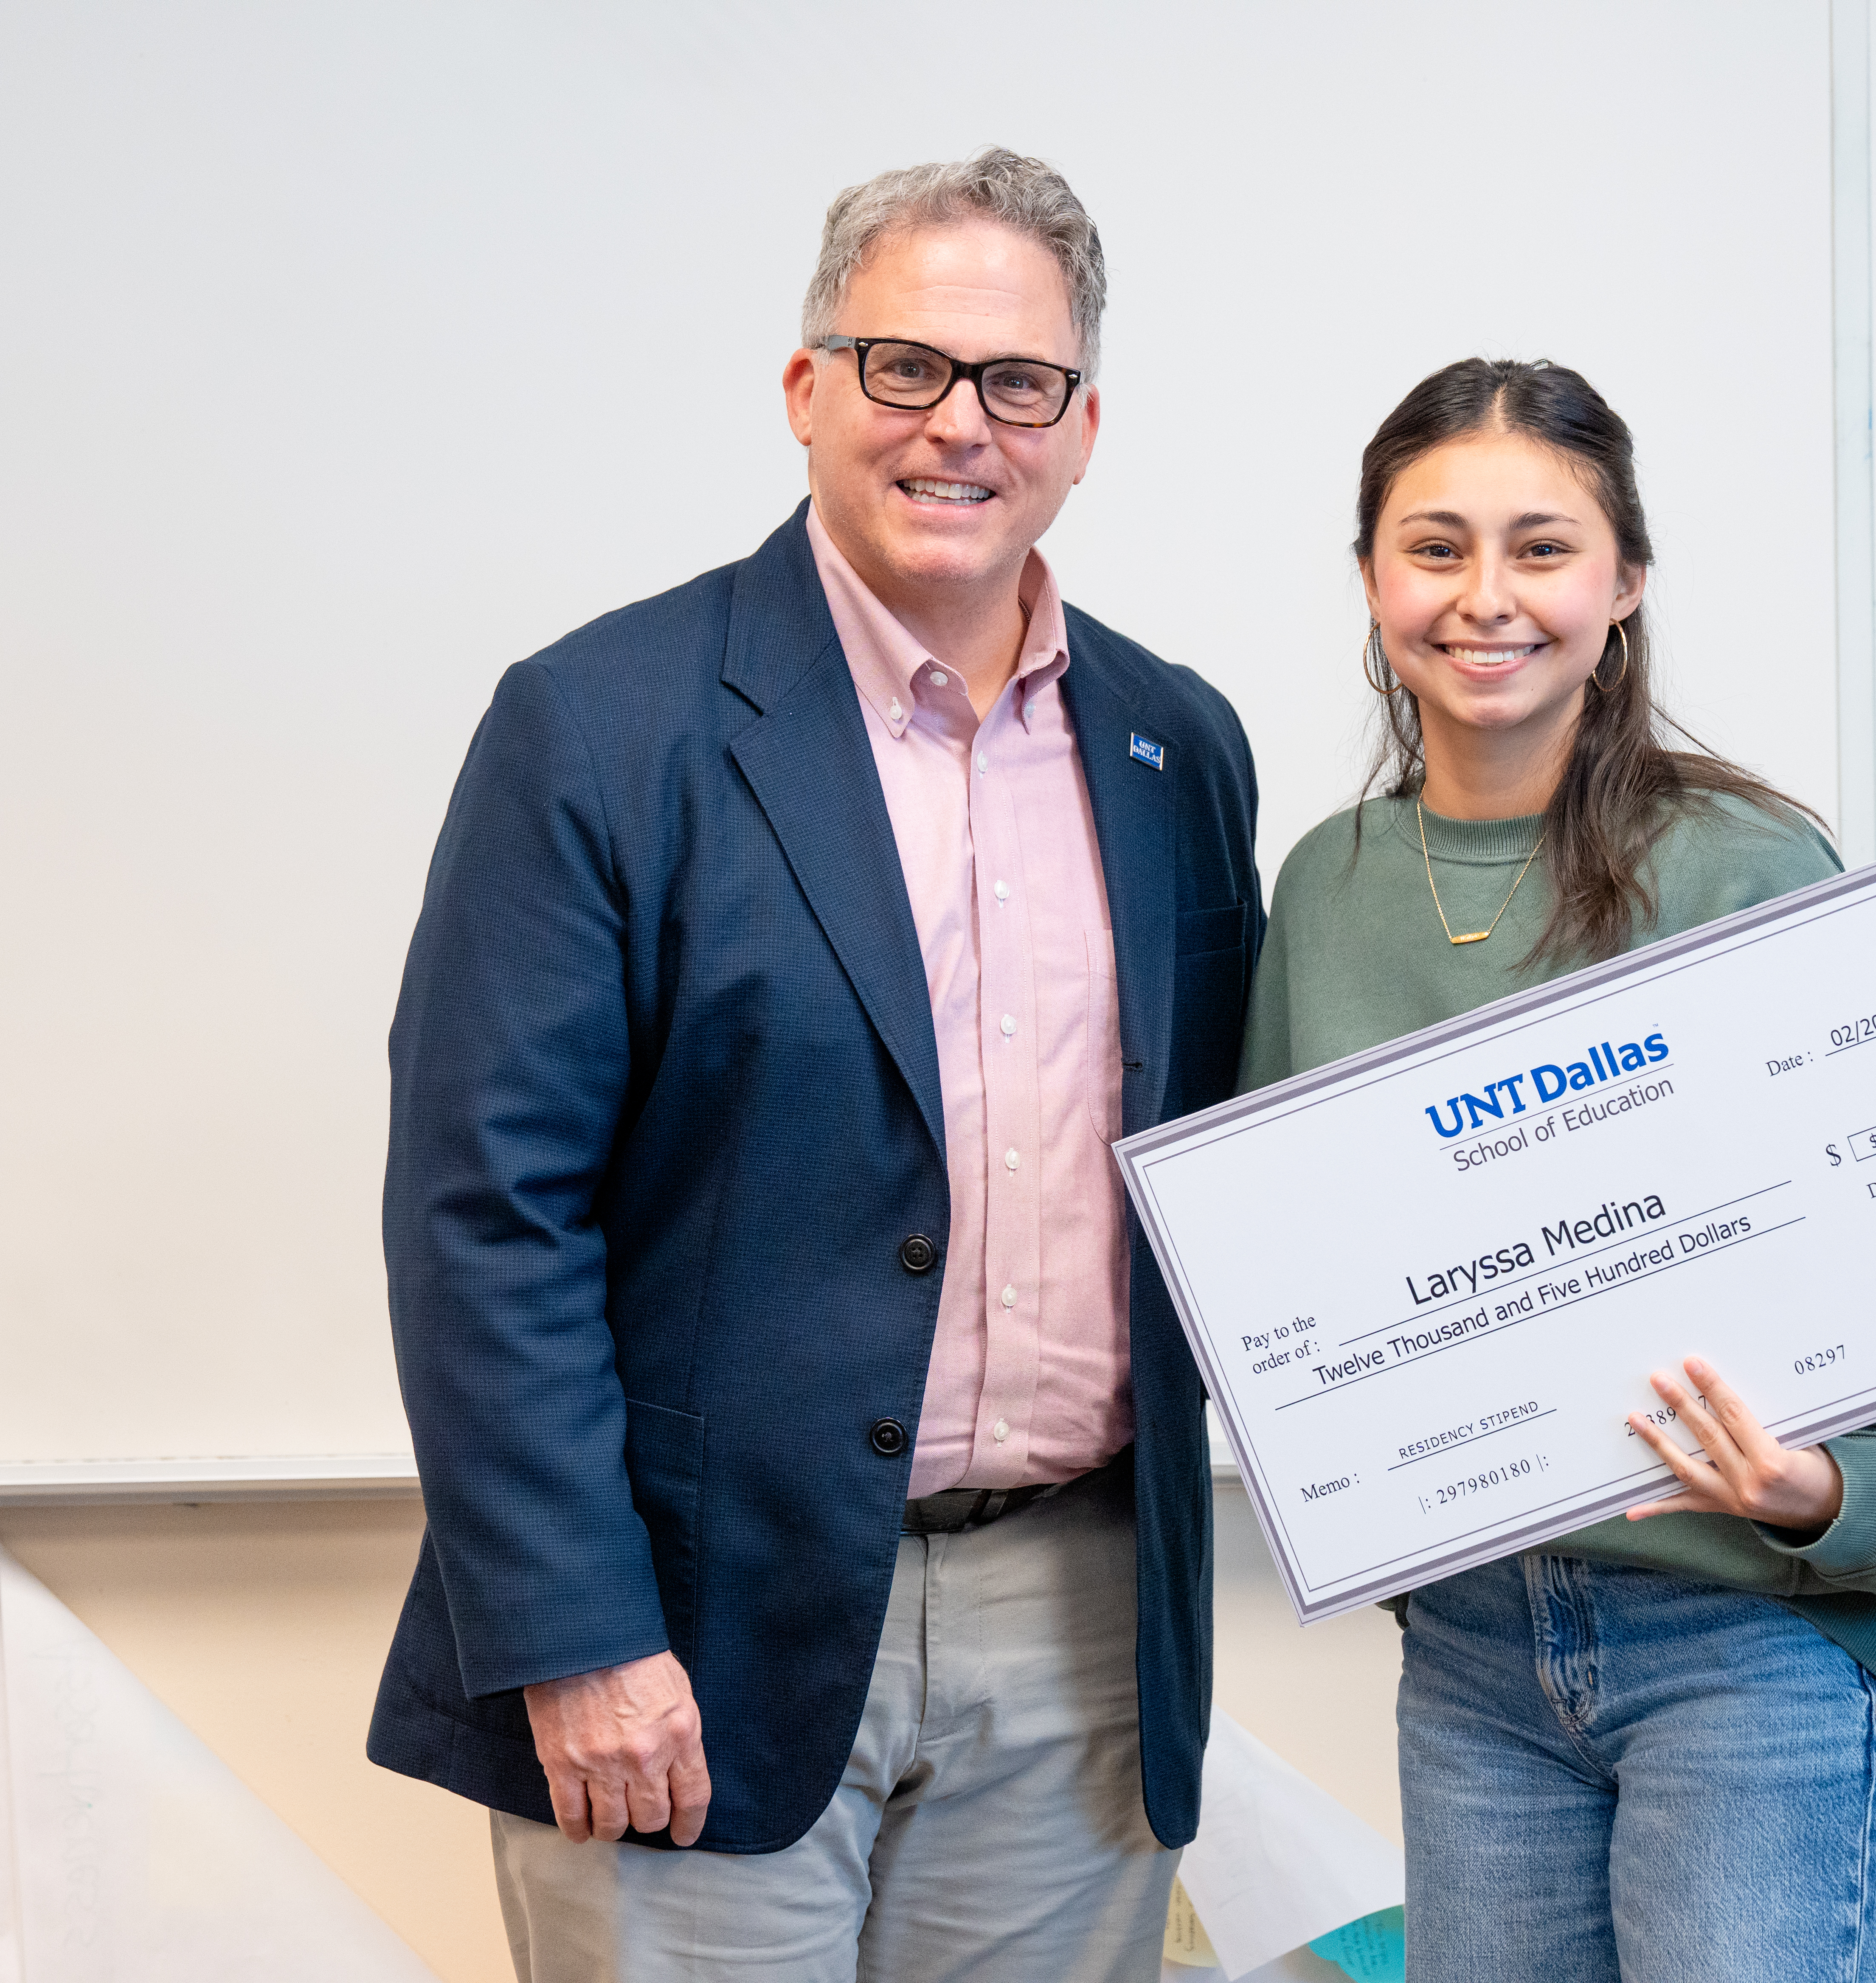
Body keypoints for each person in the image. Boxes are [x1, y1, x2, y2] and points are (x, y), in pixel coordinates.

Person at [368, 149, 1261, 1982]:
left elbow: (1233, 1153)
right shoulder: (603, 725)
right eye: (905, 366)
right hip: (688, 1631)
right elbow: (481, 1211)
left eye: (1019, 383)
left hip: (1082, 1626)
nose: (961, 426)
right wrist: (575, 1634)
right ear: (806, 390)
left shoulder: (1179, 746)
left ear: (1085, 426)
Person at [1238, 358, 1876, 1983]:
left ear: (1623, 587)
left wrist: (1831, 1495)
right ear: (1369, 583)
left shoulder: (1749, 865)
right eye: (1437, 547)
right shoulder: (1325, 889)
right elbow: (1285, 1281)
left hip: (1771, 1646)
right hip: (1478, 1658)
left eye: (1543, 548)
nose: (1488, 598)